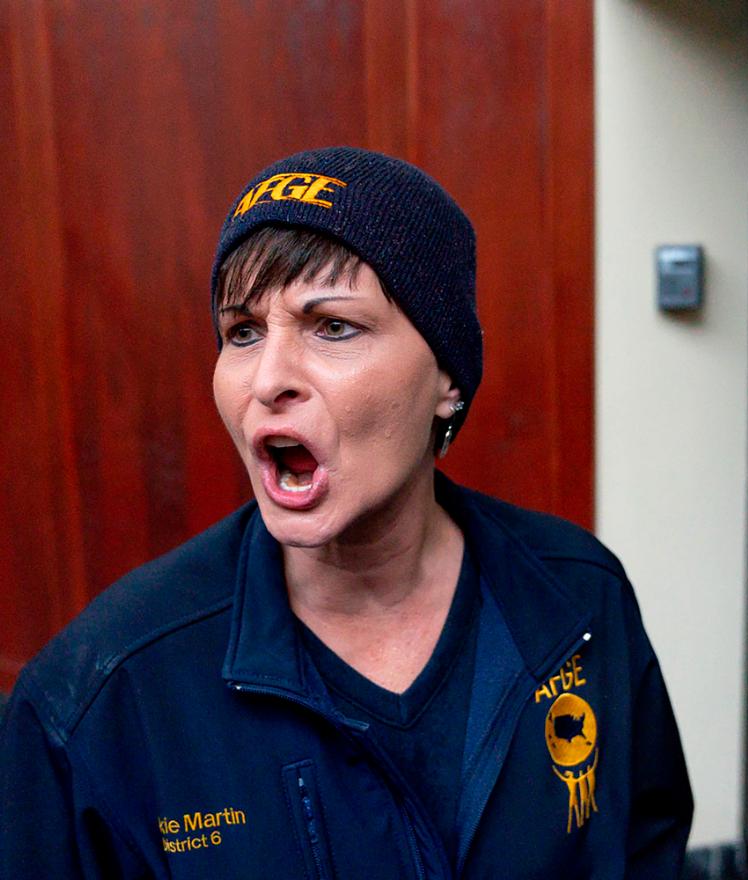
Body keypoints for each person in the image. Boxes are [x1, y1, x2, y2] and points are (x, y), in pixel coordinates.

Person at [0, 147, 692, 878]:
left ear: (447, 378)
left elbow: (647, 847)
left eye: (331, 326)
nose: (268, 379)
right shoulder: (101, 694)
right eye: (242, 332)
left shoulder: (579, 599)